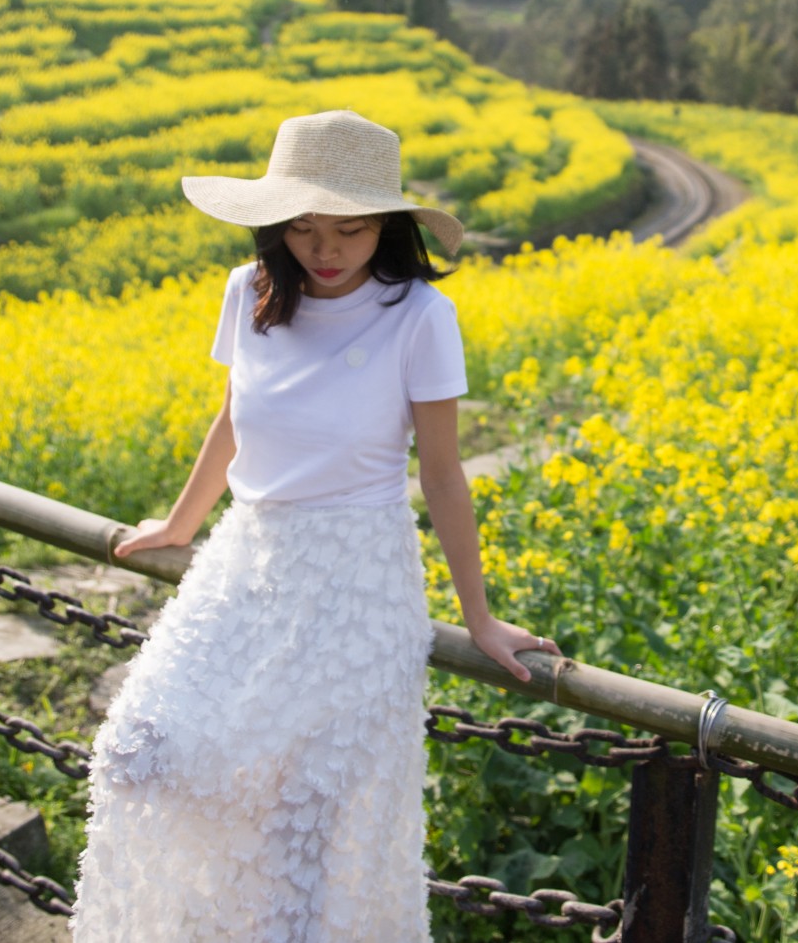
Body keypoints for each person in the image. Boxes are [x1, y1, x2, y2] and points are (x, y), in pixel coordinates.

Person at [71, 108, 558, 941]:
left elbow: (442, 475)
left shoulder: (419, 318)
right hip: (246, 559)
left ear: (389, 227)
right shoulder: (249, 290)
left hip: (358, 584)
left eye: (350, 228)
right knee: (138, 748)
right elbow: (233, 421)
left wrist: (479, 617)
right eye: (300, 225)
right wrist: (181, 522)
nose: (323, 248)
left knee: (310, 815)